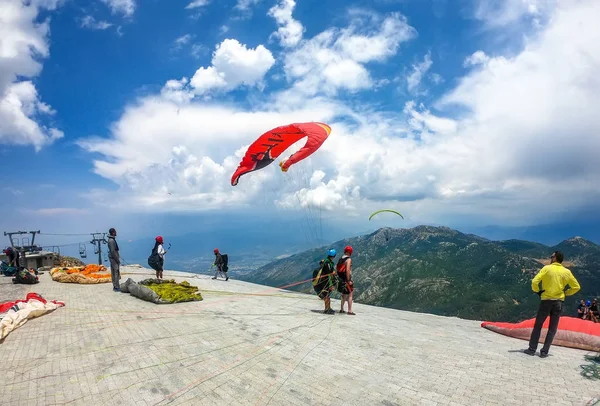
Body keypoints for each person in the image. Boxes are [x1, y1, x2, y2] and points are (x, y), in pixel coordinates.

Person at [524, 251, 580, 357]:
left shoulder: (547, 268)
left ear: (554, 258)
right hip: (558, 302)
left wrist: (537, 291)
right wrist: (566, 293)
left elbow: (535, 282)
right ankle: (544, 352)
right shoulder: (567, 272)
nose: (550, 258)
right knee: (552, 328)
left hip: (546, 300)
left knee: (538, 325)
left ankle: (532, 349)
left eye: (551, 256)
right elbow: (576, 287)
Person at [316, 249, 337, 314]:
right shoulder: (328, 263)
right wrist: (331, 285)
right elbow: (329, 275)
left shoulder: (327, 261)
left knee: (328, 295)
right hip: (326, 282)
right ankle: (326, 309)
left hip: (325, 281)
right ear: (334, 256)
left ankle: (328, 308)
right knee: (327, 295)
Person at [337, 245, 355, 315]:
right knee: (350, 294)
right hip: (346, 279)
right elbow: (347, 270)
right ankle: (350, 310)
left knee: (344, 294)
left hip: (340, 278)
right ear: (350, 252)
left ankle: (341, 308)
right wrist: (348, 280)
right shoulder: (348, 259)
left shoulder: (341, 258)